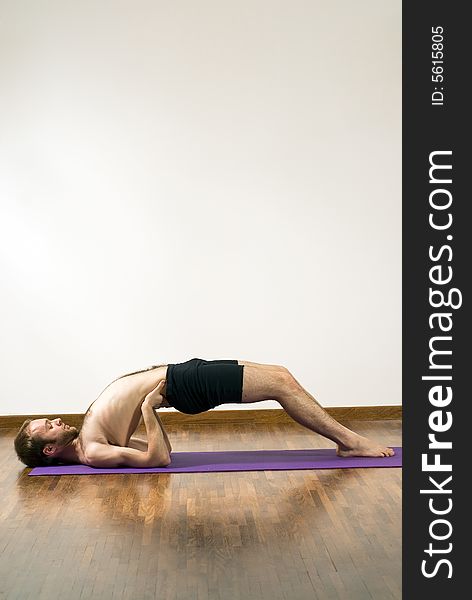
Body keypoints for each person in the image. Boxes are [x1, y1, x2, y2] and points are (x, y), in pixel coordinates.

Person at [14, 357, 395, 468]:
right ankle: (350, 442)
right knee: (283, 384)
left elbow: (139, 440)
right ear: (48, 449)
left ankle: (347, 440)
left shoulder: (90, 440)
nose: (55, 421)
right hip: (183, 385)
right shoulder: (93, 452)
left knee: (281, 376)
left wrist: (143, 381)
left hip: (179, 374)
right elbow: (160, 458)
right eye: (47, 427)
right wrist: (148, 405)